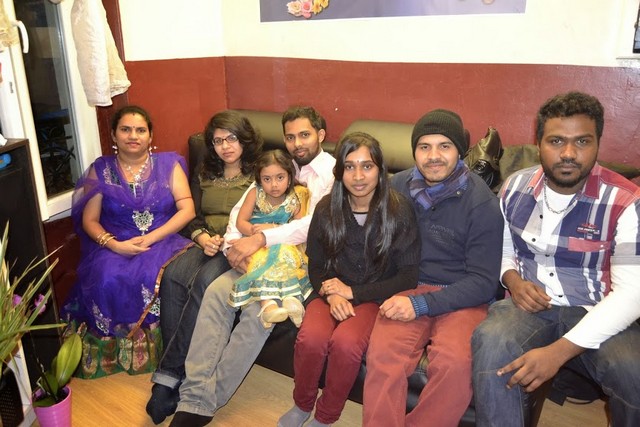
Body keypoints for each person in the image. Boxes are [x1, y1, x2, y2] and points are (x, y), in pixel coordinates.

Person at [472, 91, 640, 426]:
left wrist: (557, 353)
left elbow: (632, 294)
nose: (568, 154)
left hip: (598, 308)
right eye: (556, 141)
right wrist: (512, 280)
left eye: (582, 141)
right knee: (491, 343)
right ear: (539, 143)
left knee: (633, 373)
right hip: (528, 308)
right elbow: (502, 249)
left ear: (598, 143)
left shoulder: (625, 201)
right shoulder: (514, 187)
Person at [169, 106, 336, 427]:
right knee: (216, 294)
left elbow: (311, 226)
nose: (297, 143)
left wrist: (259, 240)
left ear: (321, 135)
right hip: (252, 258)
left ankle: (204, 402)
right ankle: (192, 395)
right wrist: (234, 247)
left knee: (257, 314)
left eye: (304, 135)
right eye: (290, 137)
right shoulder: (278, 164)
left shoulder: (331, 173)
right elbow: (240, 212)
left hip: (293, 266)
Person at [362, 109, 504, 427]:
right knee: (383, 357)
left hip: (462, 295)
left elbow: (483, 281)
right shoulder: (397, 186)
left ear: (459, 151)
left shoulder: (482, 203)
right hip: (408, 284)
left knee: (455, 365)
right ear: (414, 151)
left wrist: (421, 305)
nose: (434, 156)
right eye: (424, 147)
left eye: (444, 146)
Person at [278, 132, 420, 427]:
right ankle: (302, 403)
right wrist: (333, 294)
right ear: (339, 171)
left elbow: (408, 276)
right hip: (328, 289)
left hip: (371, 296)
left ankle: (327, 414)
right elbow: (316, 266)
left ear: (380, 170)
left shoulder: (399, 210)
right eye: (350, 166)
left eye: (367, 166)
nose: (358, 176)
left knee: (346, 344)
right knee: (311, 338)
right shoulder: (326, 209)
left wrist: (353, 292)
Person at [61, 105, 195, 379]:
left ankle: (165, 354)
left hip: (162, 238)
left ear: (150, 136)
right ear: (114, 135)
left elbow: (187, 209)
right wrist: (115, 245)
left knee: (154, 275)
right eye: (125, 129)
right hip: (114, 243)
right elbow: (90, 221)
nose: (133, 136)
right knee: (105, 277)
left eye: (140, 130)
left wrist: (151, 238)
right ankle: (112, 357)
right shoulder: (101, 169)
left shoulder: (168, 165)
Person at [146, 110, 262, 424]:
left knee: (204, 283)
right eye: (218, 141)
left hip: (236, 246)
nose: (225, 146)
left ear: (244, 139)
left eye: (232, 138)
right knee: (172, 276)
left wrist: (233, 241)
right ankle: (174, 373)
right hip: (206, 241)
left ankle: (169, 376)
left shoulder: (260, 172)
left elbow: (264, 216)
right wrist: (201, 237)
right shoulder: (205, 171)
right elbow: (192, 215)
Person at [229, 149, 312, 328]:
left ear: (289, 177)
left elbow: (298, 228)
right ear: (259, 180)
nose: (274, 185)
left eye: (280, 178)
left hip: (282, 243)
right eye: (267, 179)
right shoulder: (255, 193)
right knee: (258, 263)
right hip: (255, 244)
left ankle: (292, 300)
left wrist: (273, 229)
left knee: (287, 259)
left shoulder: (295, 199)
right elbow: (240, 222)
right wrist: (254, 232)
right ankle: (267, 306)